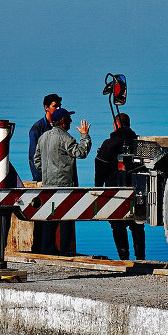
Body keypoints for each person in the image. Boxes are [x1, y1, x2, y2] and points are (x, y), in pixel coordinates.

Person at [33, 107, 91, 255]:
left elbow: (36, 161)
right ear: (63, 121)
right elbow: (81, 152)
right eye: (69, 118)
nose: (71, 121)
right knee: (66, 218)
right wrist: (84, 136)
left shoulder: (43, 137)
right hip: (65, 186)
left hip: (48, 185)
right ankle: (65, 252)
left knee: (49, 219)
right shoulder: (66, 138)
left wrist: (47, 173)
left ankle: (46, 251)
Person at [94, 112, 145, 260]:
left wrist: (98, 187)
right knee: (137, 225)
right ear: (128, 124)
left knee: (117, 225)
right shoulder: (138, 143)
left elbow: (100, 166)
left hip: (114, 190)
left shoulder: (108, 144)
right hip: (136, 189)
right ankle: (141, 257)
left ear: (116, 125)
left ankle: (123, 256)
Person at [28, 93, 62, 253]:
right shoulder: (37, 128)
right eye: (55, 106)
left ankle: (50, 247)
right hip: (43, 179)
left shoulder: (58, 126)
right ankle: (38, 247)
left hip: (56, 178)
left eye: (59, 106)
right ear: (46, 107)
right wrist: (39, 178)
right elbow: (33, 156)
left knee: (54, 212)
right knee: (41, 213)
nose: (58, 108)